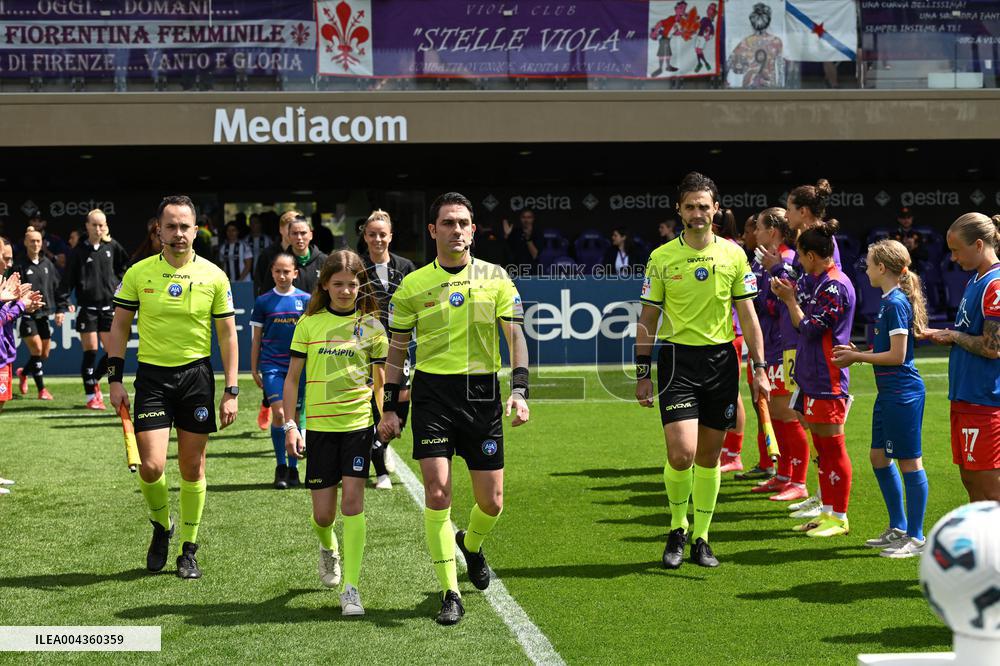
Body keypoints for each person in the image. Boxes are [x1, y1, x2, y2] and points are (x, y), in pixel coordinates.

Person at [378, 192, 530, 626]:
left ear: (472, 229)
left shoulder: (497, 277)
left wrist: (519, 391)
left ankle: (472, 544)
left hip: (482, 394)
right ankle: (450, 592)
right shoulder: (412, 285)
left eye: (464, 223)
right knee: (438, 492)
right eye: (448, 223)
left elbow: (516, 337)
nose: (457, 231)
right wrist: (391, 406)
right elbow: (396, 351)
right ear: (433, 231)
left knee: (493, 502)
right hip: (433, 396)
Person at [635, 172, 770, 570]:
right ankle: (678, 526)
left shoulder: (734, 255)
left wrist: (760, 367)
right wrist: (642, 371)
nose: (698, 213)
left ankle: (702, 538)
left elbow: (748, 314)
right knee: (682, 454)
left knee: (709, 459)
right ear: (679, 210)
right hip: (677, 361)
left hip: (720, 363)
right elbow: (648, 317)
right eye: (690, 206)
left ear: (716, 210)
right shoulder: (661, 258)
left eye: (704, 206)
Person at [107, 195, 239, 580]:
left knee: (192, 466)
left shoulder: (214, 275)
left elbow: (228, 336)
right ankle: (162, 526)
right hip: (152, 378)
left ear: (196, 230)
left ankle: (189, 549)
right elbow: (118, 326)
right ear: (158, 230)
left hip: (196, 377)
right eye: (171, 226)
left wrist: (231, 390)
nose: (178, 233)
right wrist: (114, 380)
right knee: (150, 467)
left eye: (185, 226)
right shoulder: (138, 273)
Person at [284, 250, 387, 617]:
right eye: (338, 284)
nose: (345, 290)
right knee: (324, 515)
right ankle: (329, 548)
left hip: (357, 427)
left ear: (361, 286)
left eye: (352, 284)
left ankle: (352, 589)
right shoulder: (309, 325)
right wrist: (291, 425)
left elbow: (379, 379)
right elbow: (292, 379)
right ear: (325, 285)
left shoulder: (372, 326)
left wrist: (384, 414)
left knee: (352, 504)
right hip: (320, 430)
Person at [833, 239, 929, 557]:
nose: (866, 269)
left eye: (870, 263)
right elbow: (888, 351)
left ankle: (915, 537)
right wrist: (858, 353)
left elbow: (898, 356)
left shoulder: (897, 303)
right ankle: (898, 527)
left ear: (882, 268)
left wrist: (857, 358)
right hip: (889, 393)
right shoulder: (889, 301)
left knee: (909, 461)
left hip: (903, 393)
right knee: (878, 457)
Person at [771, 221, 857, 537]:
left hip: (829, 377)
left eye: (802, 259)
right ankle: (827, 512)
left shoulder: (835, 286)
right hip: (813, 374)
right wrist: (790, 293)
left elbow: (808, 328)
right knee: (822, 446)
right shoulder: (818, 281)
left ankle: (840, 517)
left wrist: (791, 302)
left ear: (810, 255)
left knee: (833, 448)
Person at [921, 213, 1000, 501]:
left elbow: (993, 347)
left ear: (978, 245)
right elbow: (972, 335)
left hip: (986, 401)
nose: (952, 258)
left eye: (956, 250)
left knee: (988, 488)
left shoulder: (995, 285)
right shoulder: (975, 280)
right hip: (965, 397)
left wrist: (953, 336)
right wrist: (943, 335)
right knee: (970, 480)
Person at [744, 208, 812, 501]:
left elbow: (781, 303)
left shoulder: (785, 261)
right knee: (775, 412)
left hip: (786, 345)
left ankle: (798, 480)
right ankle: (783, 473)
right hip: (770, 345)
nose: (754, 233)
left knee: (787, 414)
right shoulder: (764, 261)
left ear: (772, 231)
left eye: (758, 227)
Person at [362, 209, 417, 489]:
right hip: (367, 351)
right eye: (372, 234)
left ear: (391, 236)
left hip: (401, 347)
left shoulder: (406, 267)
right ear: (365, 236)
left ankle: (381, 445)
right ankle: (380, 471)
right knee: (377, 407)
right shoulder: (356, 268)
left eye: (382, 234)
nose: (377, 239)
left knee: (399, 407)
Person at [249, 252, 310, 490]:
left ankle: (293, 470)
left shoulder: (306, 300)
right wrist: (254, 368)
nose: (282, 276)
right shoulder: (263, 301)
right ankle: (280, 466)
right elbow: (256, 339)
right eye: (278, 271)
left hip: (299, 367)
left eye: (287, 271)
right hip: (272, 366)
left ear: (295, 273)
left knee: (294, 417)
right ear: (272, 273)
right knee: (281, 415)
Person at [60, 209, 130, 410]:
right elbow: (68, 279)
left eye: (101, 225)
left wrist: (118, 283)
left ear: (105, 226)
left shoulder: (112, 246)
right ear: (87, 226)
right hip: (87, 309)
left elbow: (125, 267)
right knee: (90, 351)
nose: (98, 228)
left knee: (111, 352)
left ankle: (95, 379)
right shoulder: (79, 251)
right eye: (94, 225)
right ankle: (91, 396)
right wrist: (63, 302)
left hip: (108, 308)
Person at [0, 239, 45, 495]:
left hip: (3, 358)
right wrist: (18, 305)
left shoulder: (3, 282)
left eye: (9, 258)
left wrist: (23, 306)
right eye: (4, 258)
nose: (9, 263)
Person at [252, 211, 299, 431]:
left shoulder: (307, 254)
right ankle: (266, 404)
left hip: (299, 322)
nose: (295, 232)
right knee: (273, 375)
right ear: (282, 229)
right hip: (273, 315)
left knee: (297, 404)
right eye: (290, 225)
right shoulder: (268, 254)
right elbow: (259, 284)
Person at [13, 226, 70, 400]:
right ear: (25, 242)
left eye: (38, 241)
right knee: (37, 349)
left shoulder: (48, 264)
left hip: (43, 315)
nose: (35, 244)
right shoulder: (20, 265)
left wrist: (62, 308)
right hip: (27, 315)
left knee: (44, 353)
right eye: (32, 241)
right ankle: (41, 389)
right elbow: (14, 290)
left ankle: (24, 373)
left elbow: (58, 288)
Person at [287, 216, 327, 296]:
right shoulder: (280, 262)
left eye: (303, 233)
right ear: (289, 237)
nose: (299, 237)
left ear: (311, 235)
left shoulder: (324, 260)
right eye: (295, 233)